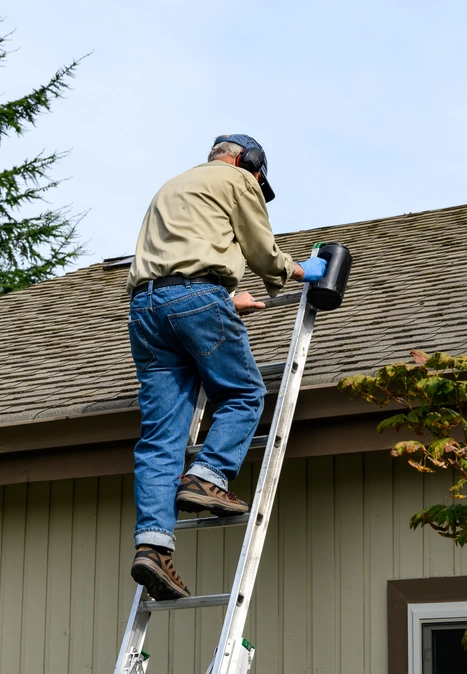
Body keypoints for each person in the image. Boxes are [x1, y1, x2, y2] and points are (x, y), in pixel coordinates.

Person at [124, 134, 328, 600]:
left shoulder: (172, 187)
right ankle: (208, 477)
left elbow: (178, 261)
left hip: (145, 309)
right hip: (195, 297)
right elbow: (261, 248)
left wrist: (222, 298)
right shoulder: (237, 178)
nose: (257, 181)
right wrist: (299, 272)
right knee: (242, 394)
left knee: (161, 438)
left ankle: (153, 547)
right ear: (247, 160)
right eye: (258, 174)